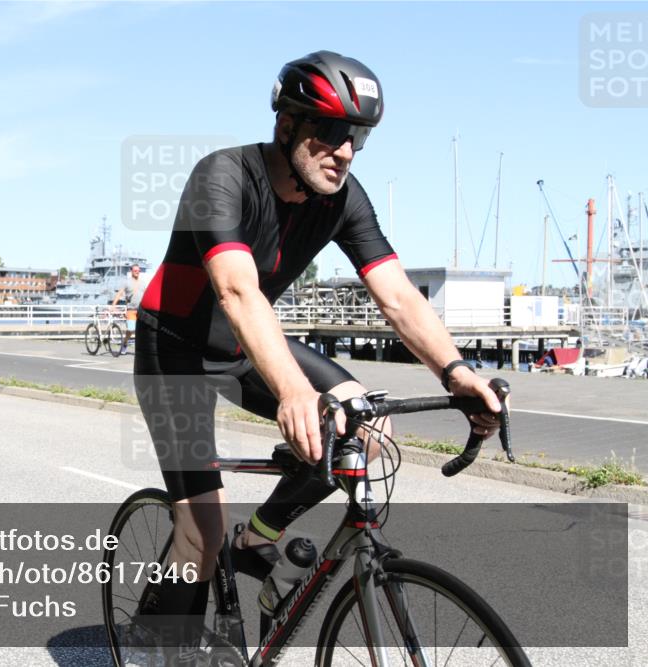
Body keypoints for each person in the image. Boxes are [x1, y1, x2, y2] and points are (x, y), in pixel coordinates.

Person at [133, 51, 503, 663]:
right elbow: (236, 290)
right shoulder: (221, 176)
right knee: (201, 532)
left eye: (356, 137)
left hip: (245, 344)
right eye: (331, 133)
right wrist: (295, 392)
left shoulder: (343, 198)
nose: (346, 151)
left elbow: (399, 298)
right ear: (288, 127)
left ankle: (260, 539)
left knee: (369, 430)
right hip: (175, 348)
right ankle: (155, 639)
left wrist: (457, 372)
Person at [110, 264, 146, 355]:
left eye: (138, 270)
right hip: (131, 310)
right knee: (131, 329)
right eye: (135, 270)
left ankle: (140, 349)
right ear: (131, 271)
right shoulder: (127, 282)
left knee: (141, 330)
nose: (137, 272)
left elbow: (147, 296)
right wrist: (113, 306)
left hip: (141, 310)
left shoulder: (143, 283)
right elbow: (119, 294)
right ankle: (125, 342)